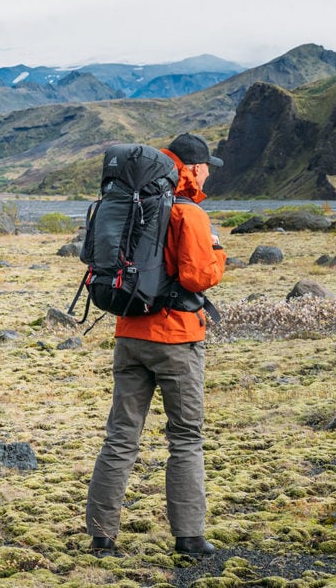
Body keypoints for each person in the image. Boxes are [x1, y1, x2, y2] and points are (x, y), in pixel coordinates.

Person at [85, 133, 226, 557]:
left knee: (120, 436)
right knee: (185, 437)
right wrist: (219, 254)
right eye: (205, 168)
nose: (207, 174)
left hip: (129, 333)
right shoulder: (189, 213)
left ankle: (102, 537)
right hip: (176, 340)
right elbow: (198, 277)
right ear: (194, 168)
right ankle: (189, 536)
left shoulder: (132, 203)